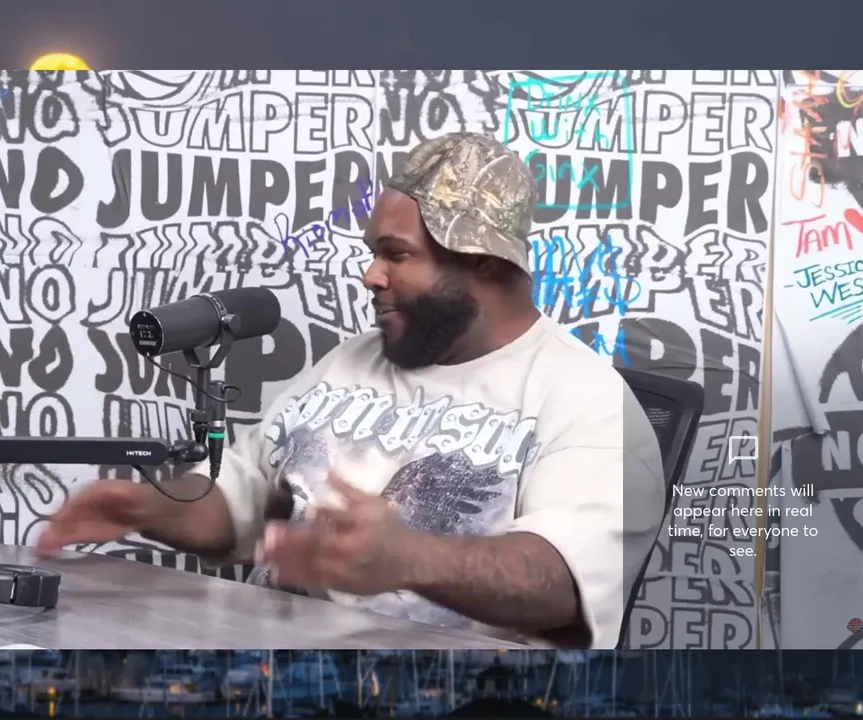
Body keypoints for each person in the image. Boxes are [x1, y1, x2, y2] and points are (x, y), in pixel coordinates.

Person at [38, 132, 666, 649]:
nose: (371, 275)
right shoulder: (353, 361)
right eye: (373, 253)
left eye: (396, 254)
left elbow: (560, 582)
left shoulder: (586, 400)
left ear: (484, 261)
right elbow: (246, 496)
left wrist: (411, 559)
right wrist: (148, 508)